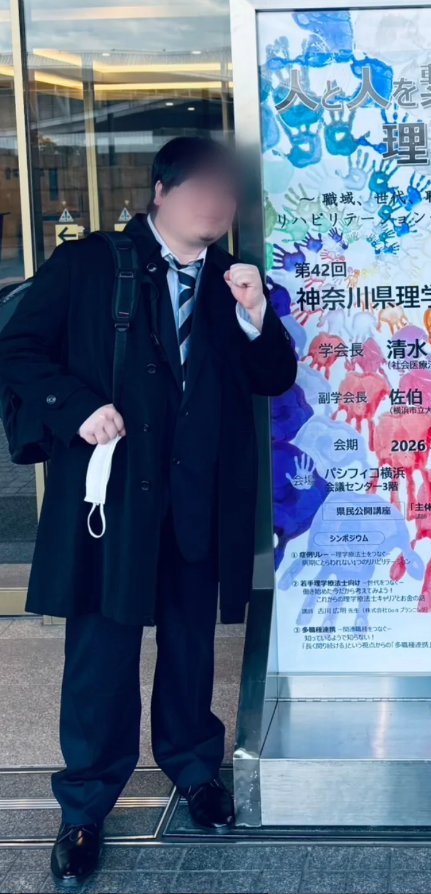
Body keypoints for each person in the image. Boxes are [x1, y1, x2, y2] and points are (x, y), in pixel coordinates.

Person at [0, 137, 298, 885]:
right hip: (112, 503)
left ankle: (194, 769)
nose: (214, 204)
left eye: (224, 194)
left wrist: (256, 314)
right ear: (160, 193)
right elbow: (18, 348)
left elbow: (273, 376)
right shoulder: (89, 265)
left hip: (198, 500)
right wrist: (76, 406)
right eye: (200, 189)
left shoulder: (235, 283)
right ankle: (84, 806)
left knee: (191, 646)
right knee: (100, 658)